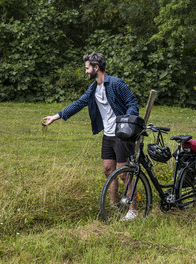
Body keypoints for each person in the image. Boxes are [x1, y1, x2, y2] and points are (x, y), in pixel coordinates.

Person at [42, 52, 140, 221]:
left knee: (124, 173)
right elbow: (79, 103)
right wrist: (56, 116)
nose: (86, 72)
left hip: (122, 135)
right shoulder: (94, 88)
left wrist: (128, 120)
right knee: (108, 170)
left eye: (87, 68)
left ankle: (133, 210)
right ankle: (114, 207)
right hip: (108, 135)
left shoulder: (116, 83)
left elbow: (132, 101)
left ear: (96, 68)